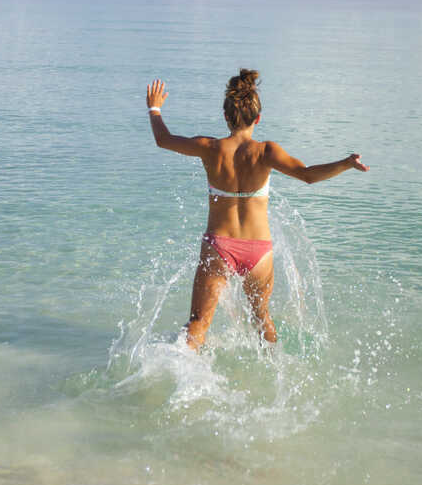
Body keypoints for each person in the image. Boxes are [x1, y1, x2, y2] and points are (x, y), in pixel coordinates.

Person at [146, 69, 368, 350]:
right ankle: (277, 366)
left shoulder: (210, 148)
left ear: (226, 117)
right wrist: (346, 163)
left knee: (198, 323)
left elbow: (163, 140)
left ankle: (182, 379)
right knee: (262, 318)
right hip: (259, 252)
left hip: (219, 249)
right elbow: (309, 175)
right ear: (258, 118)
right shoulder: (266, 152)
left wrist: (155, 108)